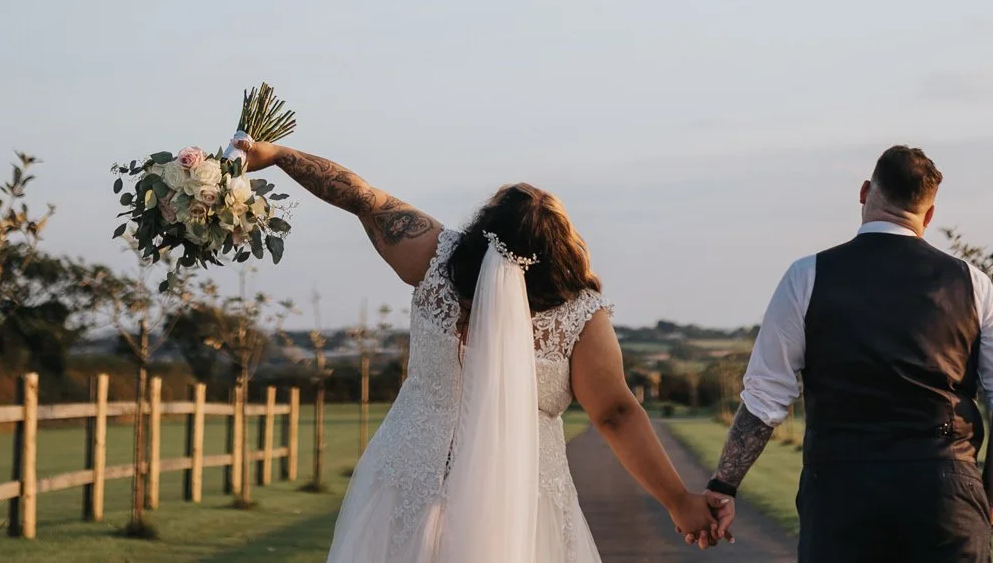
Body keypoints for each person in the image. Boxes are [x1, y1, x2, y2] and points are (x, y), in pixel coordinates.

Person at [240, 137, 724, 561]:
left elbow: (360, 196)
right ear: (560, 248)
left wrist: (279, 155)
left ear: (482, 232)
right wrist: (679, 501)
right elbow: (615, 414)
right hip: (520, 507)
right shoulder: (580, 316)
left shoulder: (434, 257)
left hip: (405, 489)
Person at [700, 145, 993, 562]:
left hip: (841, 494)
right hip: (945, 489)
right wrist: (989, 497)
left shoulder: (806, 277)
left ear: (865, 192)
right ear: (928, 216)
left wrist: (724, 485)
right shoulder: (972, 283)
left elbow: (765, 400)